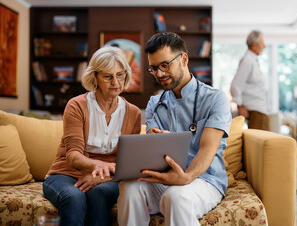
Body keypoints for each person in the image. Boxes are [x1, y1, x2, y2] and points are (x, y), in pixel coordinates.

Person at [116, 32, 232, 226]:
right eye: (153, 68)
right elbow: (153, 154)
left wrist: (186, 177)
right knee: (129, 189)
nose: (159, 74)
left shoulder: (215, 99)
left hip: (203, 180)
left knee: (176, 197)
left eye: (164, 65)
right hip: (166, 177)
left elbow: (207, 150)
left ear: (183, 59)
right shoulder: (155, 102)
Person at [43, 46, 142, 226]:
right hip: (66, 174)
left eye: (120, 75)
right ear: (94, 77)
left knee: (100, 194)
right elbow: (72, 156)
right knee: (74, 197)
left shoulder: (133, 113)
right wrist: (100, 165)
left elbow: (129, 165)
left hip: (108, 179)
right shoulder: (76, 106)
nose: (116, 82)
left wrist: (101, 176)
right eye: (107, 76)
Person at [230, 30, 269, 130]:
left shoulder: (253, 60)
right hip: (255, 109)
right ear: (254, 45)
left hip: (260, 109)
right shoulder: (248, 61)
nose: (264, 46)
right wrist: (240, 106)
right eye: (262, 43)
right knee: (261, 143)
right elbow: (236, 85)